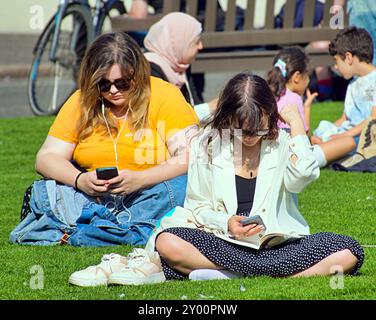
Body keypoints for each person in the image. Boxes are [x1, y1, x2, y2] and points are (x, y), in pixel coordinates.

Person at [84, 73, 363, 286]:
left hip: (278, 245)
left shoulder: (282, 143)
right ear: (227, 119)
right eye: (241, 130)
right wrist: (226, 223)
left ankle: (231, 273)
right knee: (168, 241)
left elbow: (303, 175)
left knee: (349, 251)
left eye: (259, 128)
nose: (251, 137)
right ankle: (266, 273)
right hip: (223, 241)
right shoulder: (207, 144)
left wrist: (298, 124)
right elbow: (197, 208)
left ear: (271, 117)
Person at [10, 32, 199, 248]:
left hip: (149, 194)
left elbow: (188, 156)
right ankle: (122, 230)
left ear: (138, 74)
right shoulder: (82, 101)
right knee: (49, 188)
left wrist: (140, 179)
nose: (113, 91)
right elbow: (45, 158)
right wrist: (80, 180)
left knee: (180, 187)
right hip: (93, 197)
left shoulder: (164, 94)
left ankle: (82, 230)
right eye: (103, 84)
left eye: (122, 83)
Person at [267, 46, 356, 168]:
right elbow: (304, 139)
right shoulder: (294, 98)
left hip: (271, 156)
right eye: (308, 75)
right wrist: (307, 108)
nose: (309, 80)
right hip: (294, 161)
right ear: (297, 77)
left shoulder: (269, 94)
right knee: (349, 142)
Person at [312, 27, 376, 155]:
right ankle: (320, 147)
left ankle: (316, 155)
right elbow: (344, 118)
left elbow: (373, 118)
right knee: (324, 128)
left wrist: (342, 136)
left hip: (366, 136)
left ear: (348, 57)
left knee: (349, 143)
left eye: (336, 61)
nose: (335, 67)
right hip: (350, 133)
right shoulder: (353, 84)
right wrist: (328, 133)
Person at [143, 12, 217, 121]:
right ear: (177, 43)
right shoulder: (150, 70)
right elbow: (166, 116)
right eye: (196, 42)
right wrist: (210, 108)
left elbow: (194, 102)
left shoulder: (179, 64)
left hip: (185, 130)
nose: (201, 46)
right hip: (163, 134)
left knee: (234, 133)